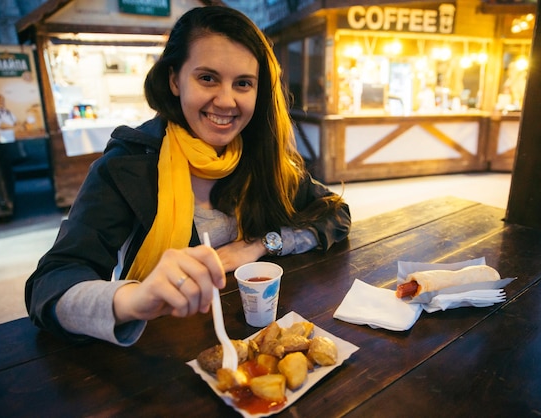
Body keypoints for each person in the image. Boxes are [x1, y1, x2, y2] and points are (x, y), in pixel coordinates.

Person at [25, 6, 350, 346]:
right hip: (155, 351)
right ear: (174, 80)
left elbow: (335, 212)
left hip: (249, 338)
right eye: (207, 78)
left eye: (243, 83)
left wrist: (258, 244)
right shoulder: (127, 166)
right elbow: (48, 286)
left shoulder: (261, 155)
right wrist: (133, 299)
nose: (226, 101)